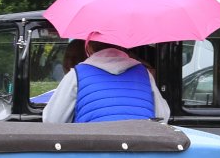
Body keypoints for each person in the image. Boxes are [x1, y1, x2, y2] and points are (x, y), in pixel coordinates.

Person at [41, 40, 169, 124]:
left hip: (93, 152)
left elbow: (52, 120)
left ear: (89, 49)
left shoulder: (76, 75)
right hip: (140, 151)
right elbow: (163, 116)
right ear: (122, 47)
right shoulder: (144, 73)